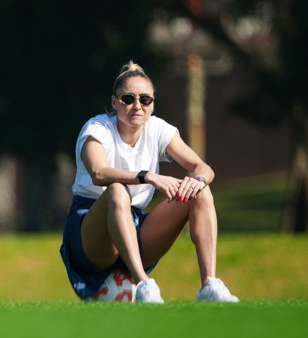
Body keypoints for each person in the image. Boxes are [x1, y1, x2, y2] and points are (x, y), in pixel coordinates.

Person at [60, 60, 239, 303]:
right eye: (128, 99)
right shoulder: (97, 128)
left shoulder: (158, 129)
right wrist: (148, 176)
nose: (137, 106)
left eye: (145, 100)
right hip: (91, 231)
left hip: (133, 225)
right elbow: (99, 173)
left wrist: (197, 181)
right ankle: (143, 284)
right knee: (117, 191)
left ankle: (209, 286)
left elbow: (203, 168)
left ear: (152, 104)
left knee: (201, 191)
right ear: (114, 102)